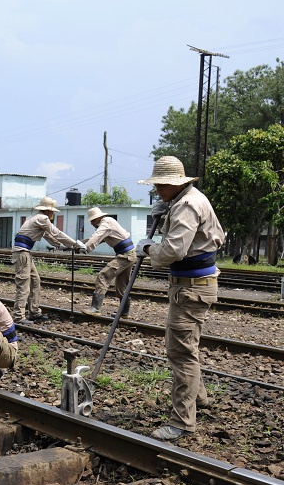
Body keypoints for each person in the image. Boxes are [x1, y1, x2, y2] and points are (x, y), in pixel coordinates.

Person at [137, 156, 225, 442]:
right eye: (157, 185)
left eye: (163, 185)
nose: (158, 189)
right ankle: (199, 399)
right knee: (187, 347)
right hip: (193, 286)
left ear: (178, 183)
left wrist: (148, 249)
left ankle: (182, 422)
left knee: (181, 353)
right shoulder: (185, 199)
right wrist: (164, 212)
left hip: (191, 288)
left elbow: (174, 250)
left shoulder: (186, 205)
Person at [11, 197, 83, 324]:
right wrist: (75, 244)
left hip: (24, 252)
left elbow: (48, 235)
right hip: (22, 253)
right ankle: (18, 316)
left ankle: (34, 312)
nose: (52, 214)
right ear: (49, 211)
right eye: (52, 211)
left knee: (35, 281)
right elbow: (57, 233)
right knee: (24, 285)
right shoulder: (42, 218)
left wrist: (60, 246)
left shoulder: (35, 217)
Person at [80, 207, 137, 318]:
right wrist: (77, 244)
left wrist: (85, 248)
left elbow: (96, 237)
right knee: (122, 285)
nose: (92, 223)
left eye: (92, 220)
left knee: (103, 276)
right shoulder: (108, 224)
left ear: (99, 218)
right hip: (129, 254)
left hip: (125, 255)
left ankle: (95, 308)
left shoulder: (105, 223)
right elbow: (95, 239)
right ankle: (124, 312)